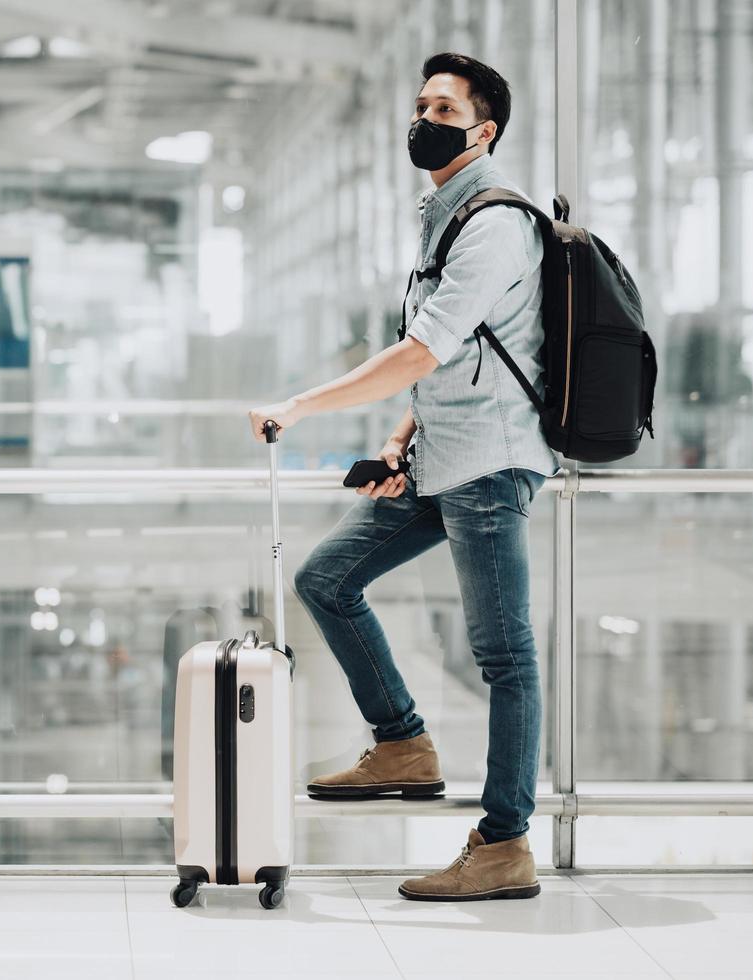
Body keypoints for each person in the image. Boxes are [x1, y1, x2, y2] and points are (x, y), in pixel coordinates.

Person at [247, 52, 561, 902]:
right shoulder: (445, 214)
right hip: (440, 454)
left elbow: (426, 346)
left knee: (503, 656)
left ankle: (503, 843)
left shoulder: (495, 222)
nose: (422, 118)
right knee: (326, 579)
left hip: (489, 465)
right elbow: (461, 356)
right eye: (420, 103)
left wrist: (304, 404)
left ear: (482, 129)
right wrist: (403, 432)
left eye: (443, 107)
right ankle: (402, 745)